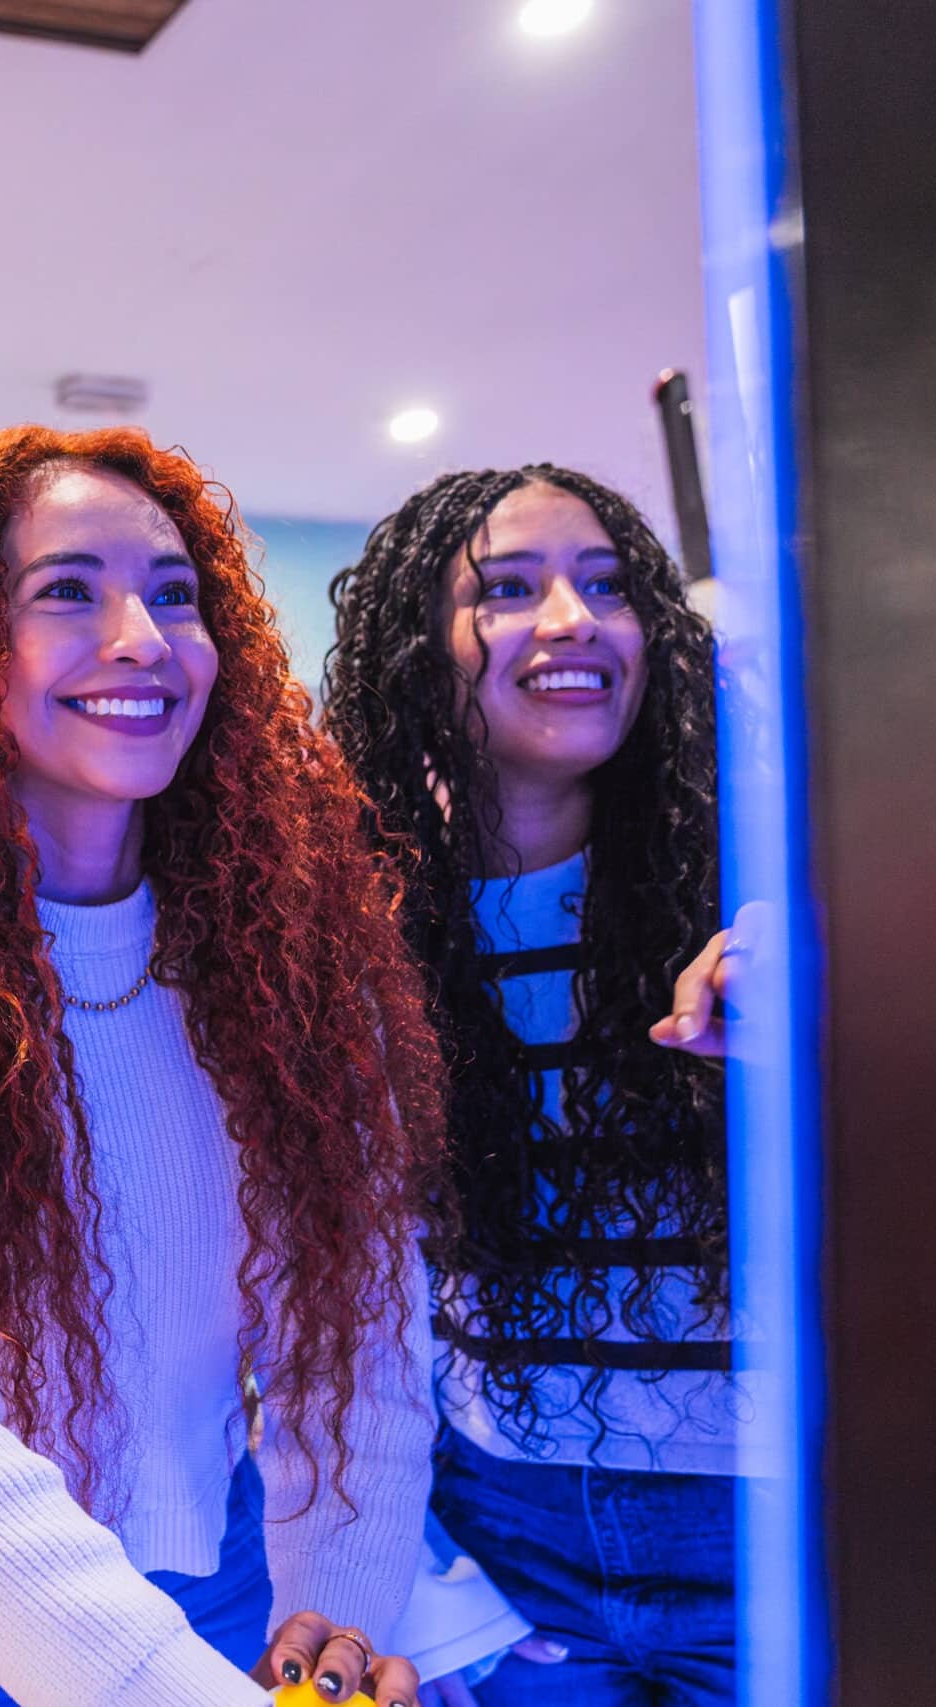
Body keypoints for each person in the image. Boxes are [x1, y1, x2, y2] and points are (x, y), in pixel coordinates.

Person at [0, 424, 442, 1707]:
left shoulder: (294, 967)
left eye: (174, 593)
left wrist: (333, 1615)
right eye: (66, 591)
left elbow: (359, 1338)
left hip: (225, 1578)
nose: (142, 638)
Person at [324, 465, 740, 1706]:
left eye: (607, 587)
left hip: (778, 1524)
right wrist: (417, 1590)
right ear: (417, 652)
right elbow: (342, 1294)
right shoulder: (359, 934)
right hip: (504, 1542)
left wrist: (839, 1017)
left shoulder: (765, 892)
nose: (571, 620)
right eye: (506, 589)